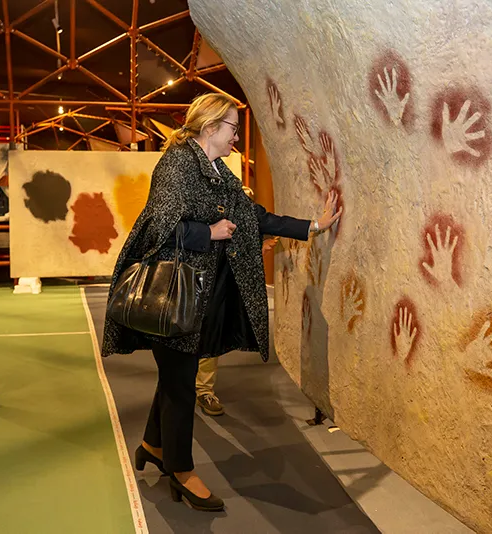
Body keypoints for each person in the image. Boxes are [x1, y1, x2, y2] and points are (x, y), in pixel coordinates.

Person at [102, 93, 341, 512]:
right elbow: (159, 223)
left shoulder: (216, 169)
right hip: (173, 293)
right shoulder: (178, 163)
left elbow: (253, 217)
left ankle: (154, 446)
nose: (236, 136)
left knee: (177, 375)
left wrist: (312, 225)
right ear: (211, 128)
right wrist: (208, 233)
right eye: (232, 127)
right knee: (179, 383)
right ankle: (181, 470)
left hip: (198, 296)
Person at [195, 236, 279, 417]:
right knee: (184, 332)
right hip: (186, 266)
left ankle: (204, 390)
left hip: (215, 272)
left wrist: (315, 225)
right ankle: (177, 387)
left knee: (211, 327)